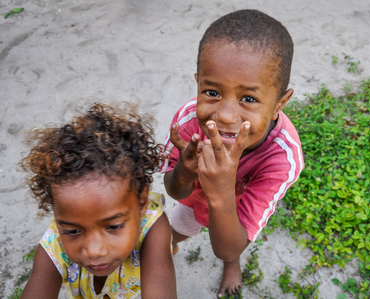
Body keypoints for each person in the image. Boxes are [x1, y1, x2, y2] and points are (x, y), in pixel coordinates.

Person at [161, 9, 304, 298]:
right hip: (194, 201)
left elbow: (228, 244)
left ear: (279, 103)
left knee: (231, 245)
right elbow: (175, 191)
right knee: (179, 226)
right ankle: (170, 243)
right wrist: (184, 173)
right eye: (212, 92)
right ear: (198, 82)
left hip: (234, 218)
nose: (225, 116)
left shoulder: (281, 159)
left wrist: (221, 190)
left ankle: (232, 266)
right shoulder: (189, 122)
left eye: (248, 99)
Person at [20, 103, 177, 299]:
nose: (94, 251)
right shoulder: (55, 243)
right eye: (72, 231)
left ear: (142, 202)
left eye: (113, 226)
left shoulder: (152, 227)